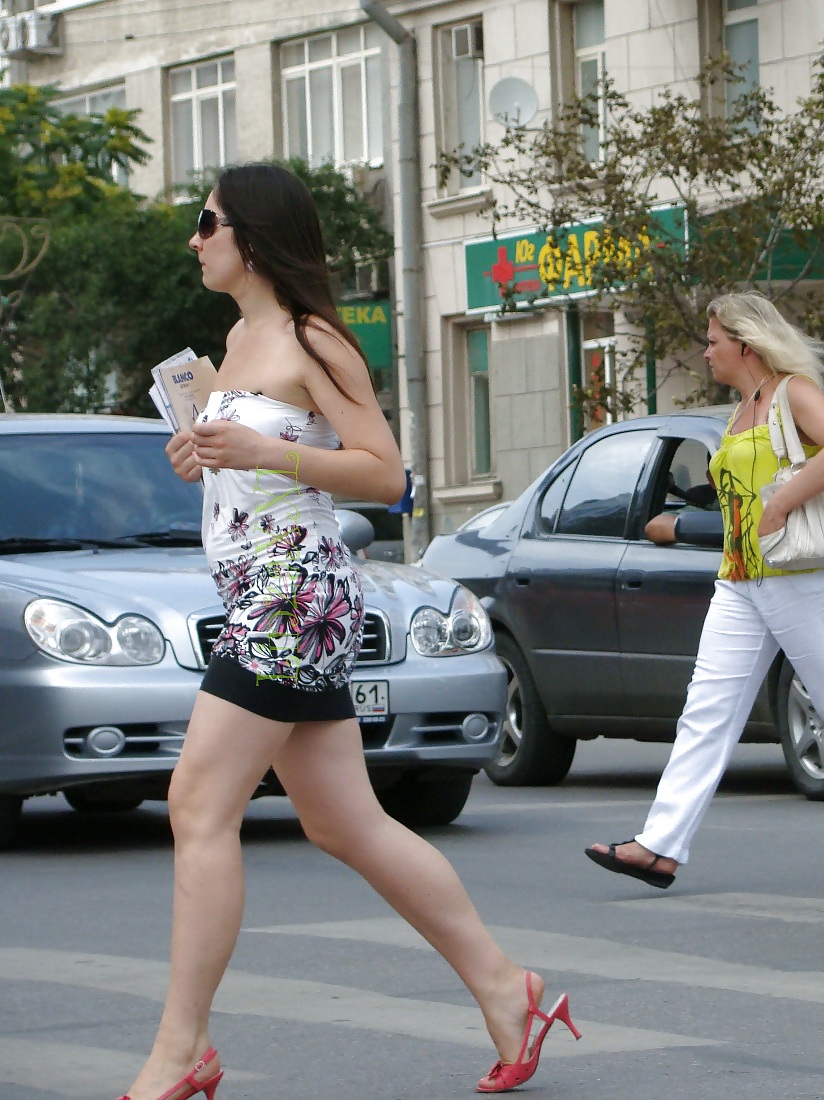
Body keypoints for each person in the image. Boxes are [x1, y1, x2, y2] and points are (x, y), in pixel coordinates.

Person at [116, 163, 580, 1100]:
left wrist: (262, 449)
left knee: (196, 806)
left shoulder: (314, 338)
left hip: (296, 597)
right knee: (345, 821)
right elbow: (257, 475)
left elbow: (387, 474)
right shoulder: (239, 339)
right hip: (262, 588)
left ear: (252, 232)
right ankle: (506, 989)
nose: (194, 239)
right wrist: (208, 455)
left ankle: (182, 1053)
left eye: (206, 222)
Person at [586, 291, 824, 890]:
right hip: (741, 580)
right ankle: (658, 846)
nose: (706, 351)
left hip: (798, 576)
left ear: (746, 343)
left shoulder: (792, 391)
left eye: (714, 340)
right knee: (705, 713)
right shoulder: (742, 408)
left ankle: (659, 845)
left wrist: (785, 502)